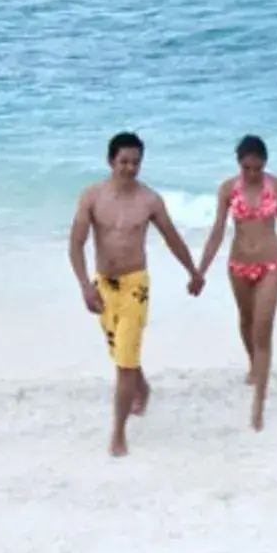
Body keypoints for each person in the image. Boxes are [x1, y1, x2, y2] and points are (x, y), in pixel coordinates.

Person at [68, 130, 203, 457]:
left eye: (136, 162)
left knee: (124, 361)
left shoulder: (149, 200)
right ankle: (142, 388)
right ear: (110, 161)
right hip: (103, 284)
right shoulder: (92, 196)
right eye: (124, 161)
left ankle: (118, 434)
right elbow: (76, 243)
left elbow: (172, 237)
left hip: (135, 285)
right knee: (120, 351)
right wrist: (85, 285)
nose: (130, 168)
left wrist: (193, 271)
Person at [195, 134, 277, 432]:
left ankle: (258, 405)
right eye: (247, 168)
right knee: (247, 321)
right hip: (238, 265)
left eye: (257, 168)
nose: (252, 174)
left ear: (265, 164)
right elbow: (217, 232)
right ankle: (254, 364)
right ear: (239, 164)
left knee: (263, 328)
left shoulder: (276, 186)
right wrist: (200, 271)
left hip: (271, 264)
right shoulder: (227, 189)